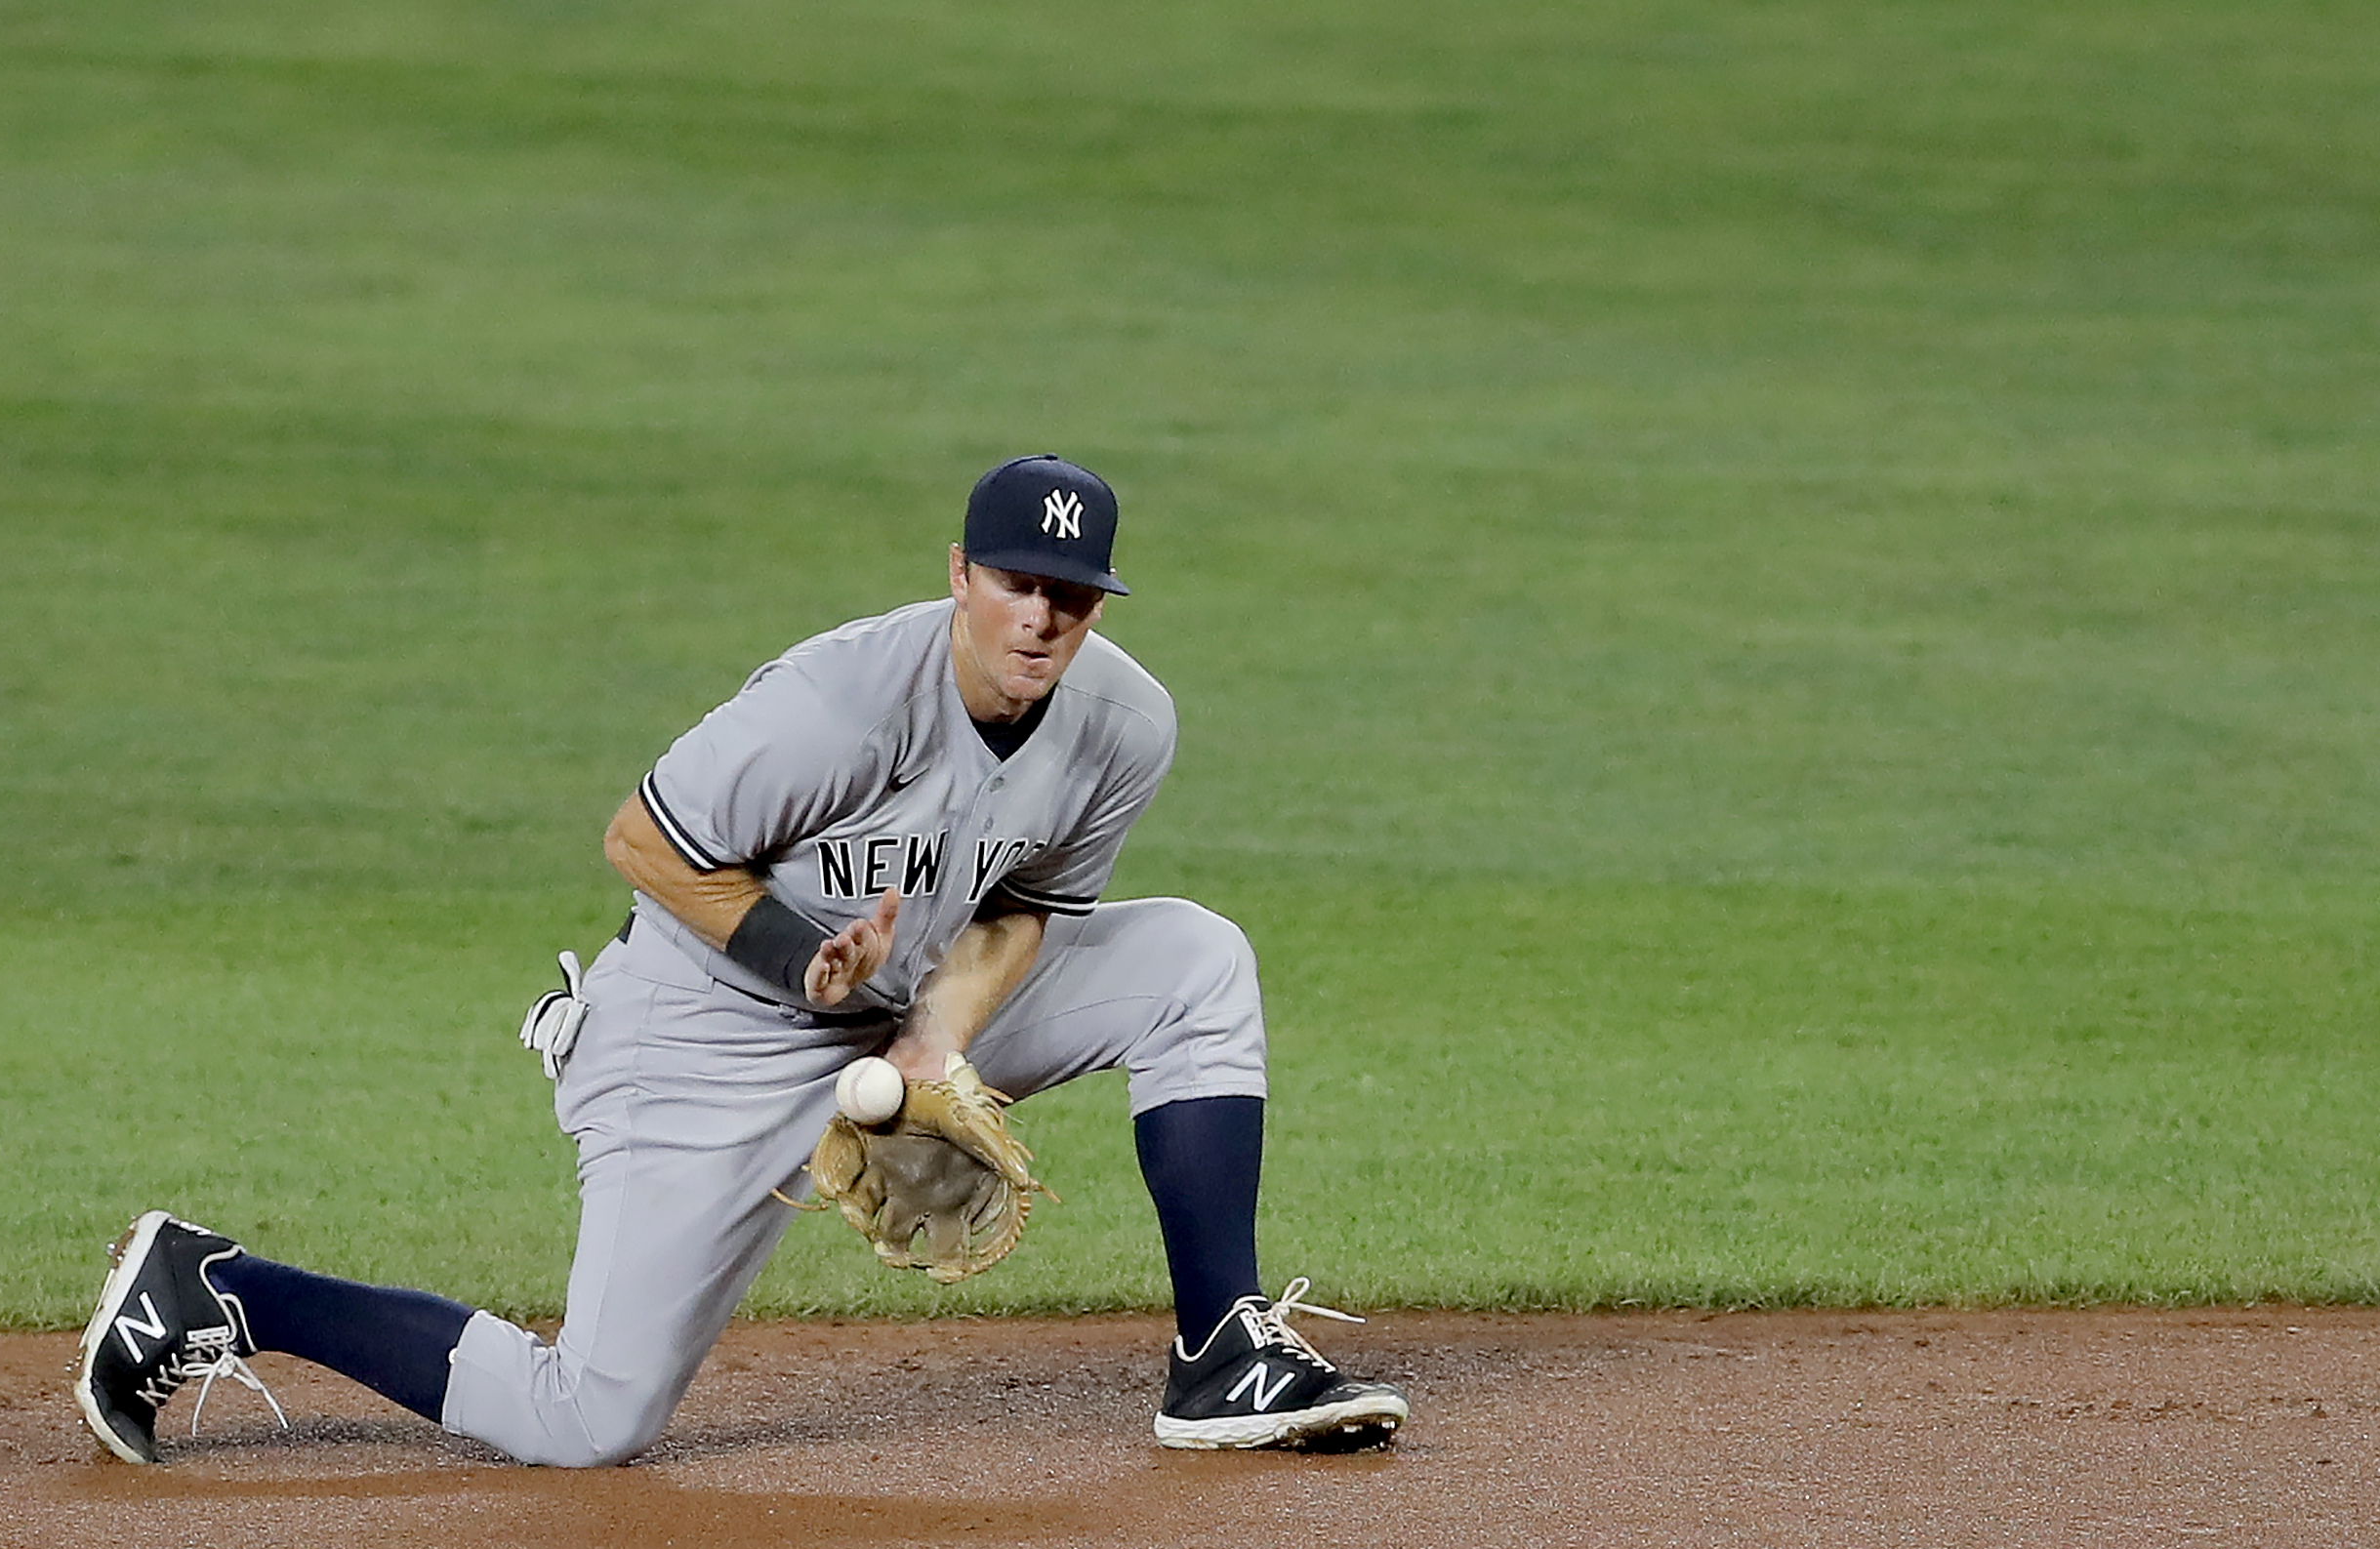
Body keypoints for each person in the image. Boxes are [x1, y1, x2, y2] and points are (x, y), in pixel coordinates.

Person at [74, 455, 1409, 1467]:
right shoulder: (835, 707)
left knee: (1194, 961)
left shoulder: (1125, 723)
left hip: (898, 1007)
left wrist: (934, 1039)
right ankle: (222, 1289)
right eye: (1019, 584)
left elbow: (1030, 906)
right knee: (586, 1421)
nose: (1044, 618)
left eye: (1074, 595)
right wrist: (803, 963)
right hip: (698, 1031)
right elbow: (644, 842)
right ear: (961, 573)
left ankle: (1221, 1351)